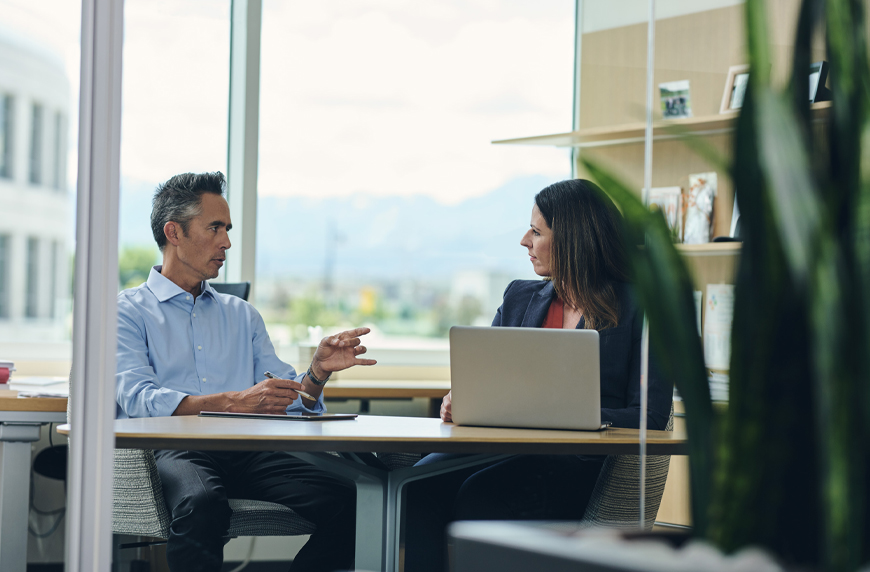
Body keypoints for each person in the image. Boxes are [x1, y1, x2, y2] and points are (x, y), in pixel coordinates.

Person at [403, 178, 673, 571]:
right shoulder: (519, 296)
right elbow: (489, 378)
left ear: (573, 239)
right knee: (416, 487)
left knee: (482, 497)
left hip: (577, 463)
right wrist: (460, 397)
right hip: (497, 450)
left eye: (536, 231)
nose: (524, 240)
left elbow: (650, 416)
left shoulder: (643, 306)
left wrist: (570, 415)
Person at [115, 172, 376, 572]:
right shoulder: (126, 311)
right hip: (176, 450)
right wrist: (235, 402)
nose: (226, 242)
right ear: (174, 232)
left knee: (358, 500)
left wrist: (317, 374)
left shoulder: (242, 315)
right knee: (201, 504)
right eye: (215, 228)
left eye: (228, 229)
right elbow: (137, 399)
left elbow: (290, 404)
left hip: (250, 452)